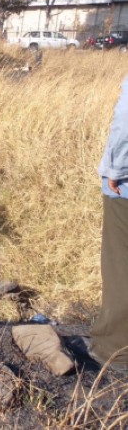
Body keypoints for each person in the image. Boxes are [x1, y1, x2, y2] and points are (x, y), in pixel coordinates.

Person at [91, 75, 128, 372]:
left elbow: (126, 122)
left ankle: (115, 349)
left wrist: (115, 168)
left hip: (125, 189)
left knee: (120, 264)